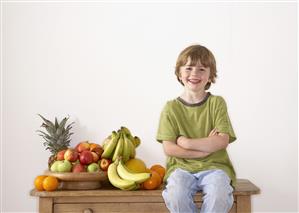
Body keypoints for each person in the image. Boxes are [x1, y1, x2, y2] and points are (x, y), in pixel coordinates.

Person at [156, 44, 236, 213]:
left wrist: (185, 142)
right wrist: (205, 148)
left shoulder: (216, 103)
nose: (194, 74)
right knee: (175, 195)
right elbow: (169, 148)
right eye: (189, 68)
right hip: (180, 169)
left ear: (210, 75)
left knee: (218, 194)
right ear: (179, 73)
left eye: (201, 69)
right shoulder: (171, 108)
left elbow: (222, 140)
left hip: (215, 167)